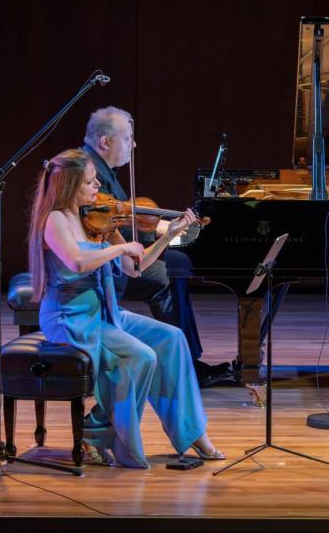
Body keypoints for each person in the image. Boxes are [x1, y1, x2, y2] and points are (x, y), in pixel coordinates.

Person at [28, 148, 224, 468]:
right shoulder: (55, 220)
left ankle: (191, 432)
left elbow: (136, 267)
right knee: (142, 356)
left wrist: (168, 236)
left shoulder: (98, 216)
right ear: (70, 185)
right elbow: (77, 261)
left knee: (172, 338)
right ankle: (98, 429)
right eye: (91, 182)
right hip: (71, 317)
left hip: (105, 312)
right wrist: (119, 246)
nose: (98, 189)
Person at [80, 107, 230, 387]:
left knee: (173, 268)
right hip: (104, 273)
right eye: (128, 138)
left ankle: (188, 361)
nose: (133, 145)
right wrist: (163, 232)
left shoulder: (100, 170)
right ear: (105, 142)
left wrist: (161, 230)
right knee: (168, 276)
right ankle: (187, 367)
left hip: (115, 261)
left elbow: (122, 220)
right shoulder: (88, 175)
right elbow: (112, 230)